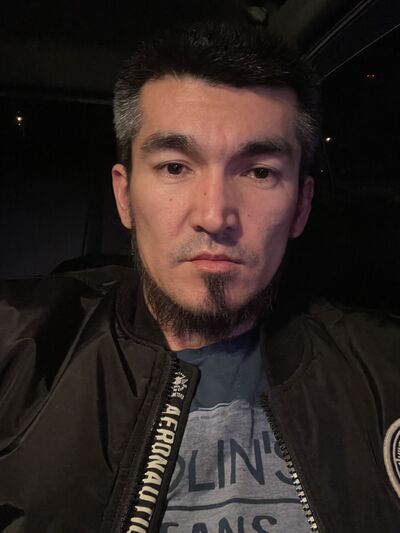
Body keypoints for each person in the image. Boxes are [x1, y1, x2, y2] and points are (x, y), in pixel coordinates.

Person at [0, 22, 399, 533]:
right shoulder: (20, 351)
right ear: (124, 196)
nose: (214, 215)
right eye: (174, 167)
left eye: (259, 172)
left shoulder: (385, 369)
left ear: (301, 207)